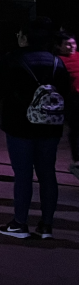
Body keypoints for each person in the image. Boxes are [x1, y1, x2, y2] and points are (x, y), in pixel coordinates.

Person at [0, 18, 71, 239]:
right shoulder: (56, 62)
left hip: (19, 125)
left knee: (23, 175)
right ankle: (46, 226)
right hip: (50, 126)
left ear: (26, 37)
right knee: (48, 174)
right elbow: (67, 93)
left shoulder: (12, 60)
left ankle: (20, 223)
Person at [59, 31, 79, 180]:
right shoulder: (59, 61)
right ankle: (77, 160)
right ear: (59, 46)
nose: (71, 46)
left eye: (73, 43)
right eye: (67, 44)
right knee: (76, 130)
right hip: (72, 100)